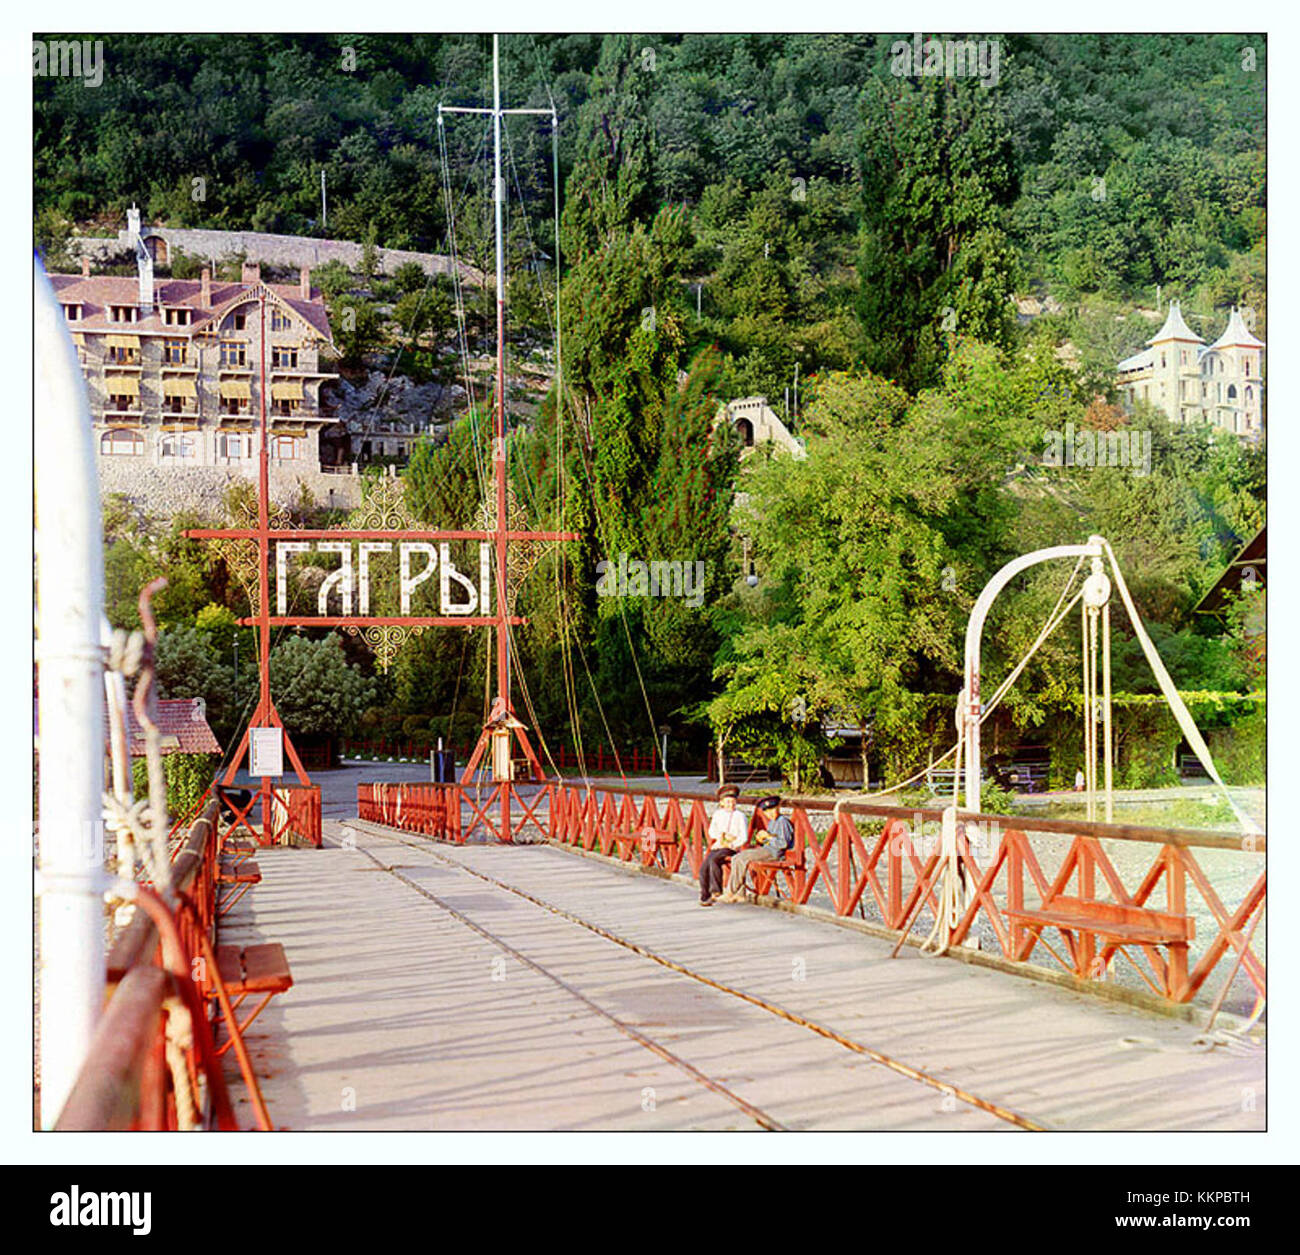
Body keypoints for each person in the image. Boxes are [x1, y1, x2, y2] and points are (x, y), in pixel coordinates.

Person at [719, 796, 794, 902]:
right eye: (767, 812)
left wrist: (768, 837)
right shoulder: (772, 822)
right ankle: (739, 893)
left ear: (778, 807)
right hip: (768, 849)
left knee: (741, 858)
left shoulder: (782, 822)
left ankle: (731, 892)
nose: (770, 813)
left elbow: (783, 843)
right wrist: (762, 838)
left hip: (774, 853)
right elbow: (769, 840)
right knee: (737, 857)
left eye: (773, 809)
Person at [699, 784, 749, 906]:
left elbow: (744, 836)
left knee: (714, 860)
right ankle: (705, 895)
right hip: (719, 844)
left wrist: (733, 842)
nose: (730, 805)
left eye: (733, 802)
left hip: (730, 847)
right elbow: (712, 831)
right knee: (704, 866)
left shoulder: (740, 816)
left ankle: (716, 891)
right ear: (721, 803)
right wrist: (720, 836)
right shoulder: (718, 814)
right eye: (727, 802)